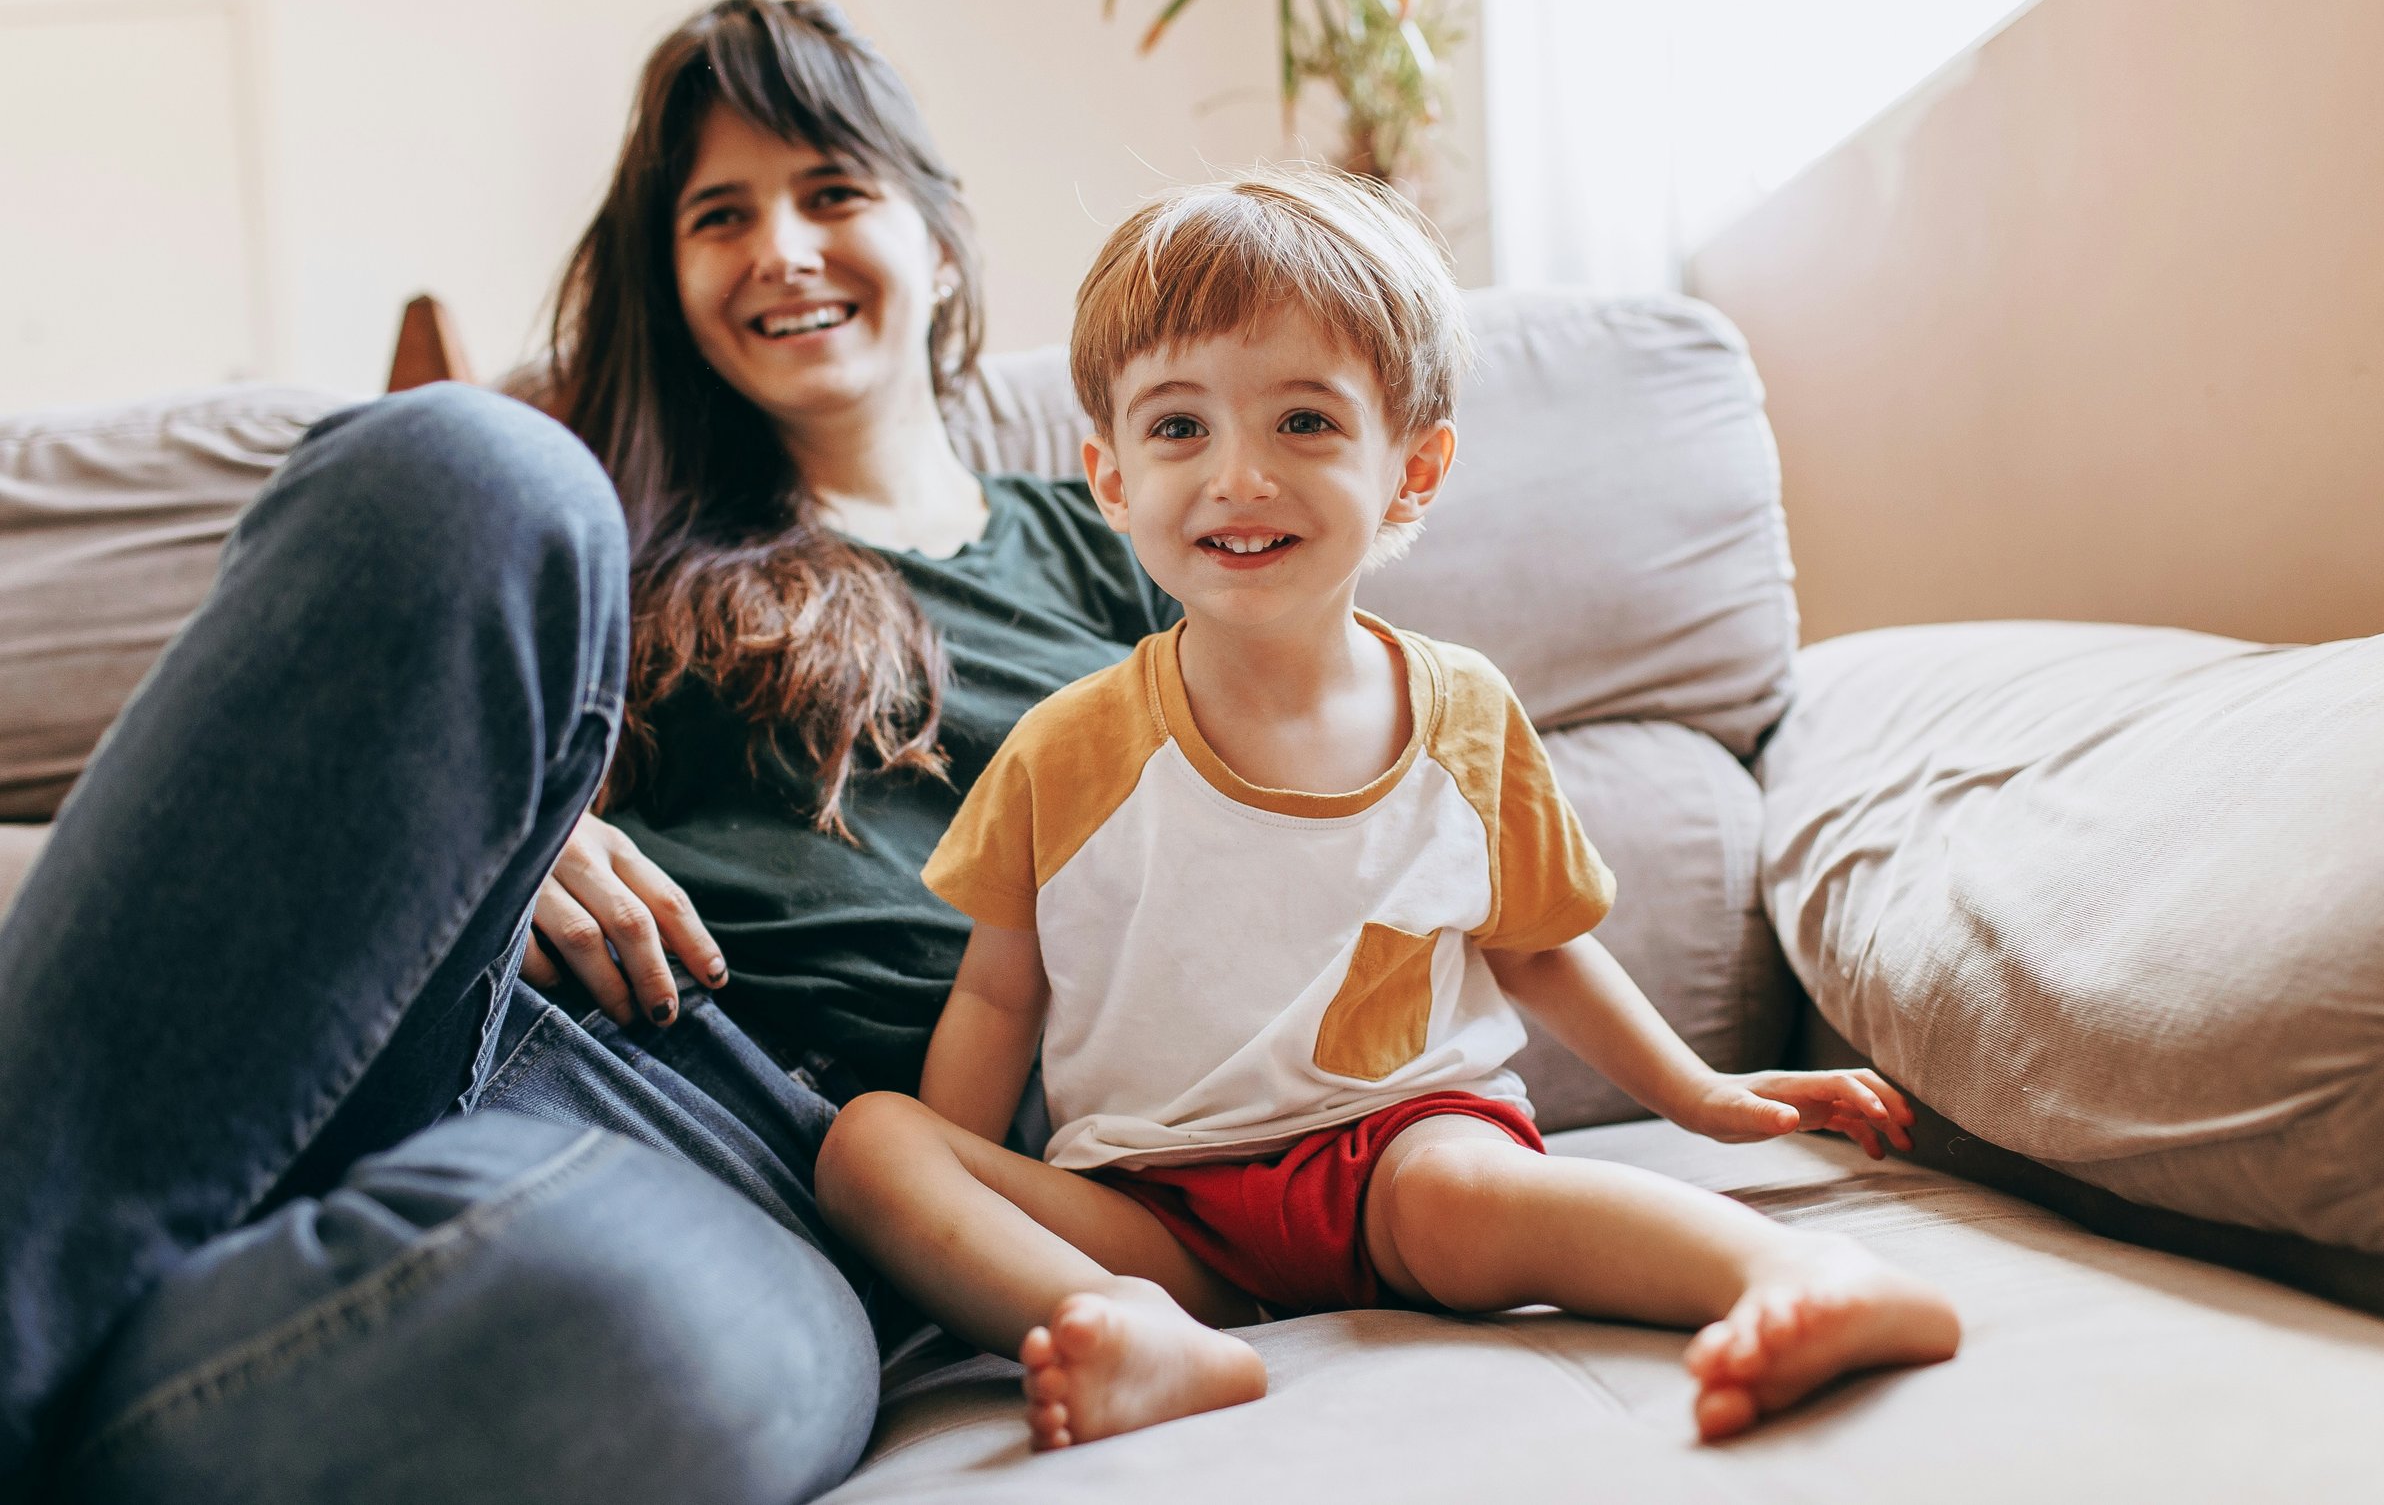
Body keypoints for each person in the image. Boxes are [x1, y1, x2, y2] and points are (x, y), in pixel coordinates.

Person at [0, 0, 1175, 1502]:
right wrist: (512, 821)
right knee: (470, 463)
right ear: (671, 279)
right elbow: (271, 786)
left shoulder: (1126, 548)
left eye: (830, 190)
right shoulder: (618, 529)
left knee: (625, 1340)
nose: (781, 249)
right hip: (486, 1012)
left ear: (940, 238)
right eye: (720, 214)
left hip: (818, 1193)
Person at [813, 166, 1964, 1452]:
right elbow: (997, 997)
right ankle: (1149, 1339)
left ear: (1411, 469)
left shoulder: (1463, 715)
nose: (1237, 474)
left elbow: (1535, 946)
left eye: (1303, 422)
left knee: (1478, 1195)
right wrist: (973, 1213)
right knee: (870, 1142)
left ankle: (1799, 1280)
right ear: (1110, 476)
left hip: (1400, 1151)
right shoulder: (1061, 750)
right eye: (1179, 427)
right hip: (1153, 1206)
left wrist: (1701, 1095)